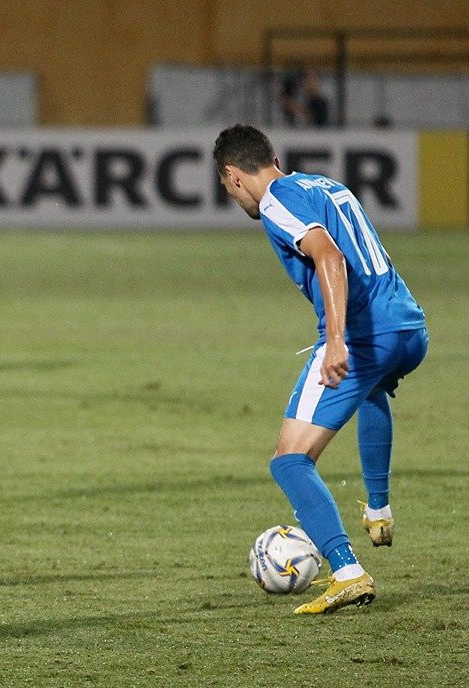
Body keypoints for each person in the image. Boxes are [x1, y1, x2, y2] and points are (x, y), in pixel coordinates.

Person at [213, 125, 427, 615]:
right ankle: (378, 509)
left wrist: (334, 341)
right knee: (372, 390)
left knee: (289, 460)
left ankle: (347, 571)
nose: (233, 197)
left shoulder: (275, 202)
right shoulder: (326, 185)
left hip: (364, 336)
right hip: (409, 327)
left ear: (233, 175)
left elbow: (328, 254)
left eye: (227, 188)